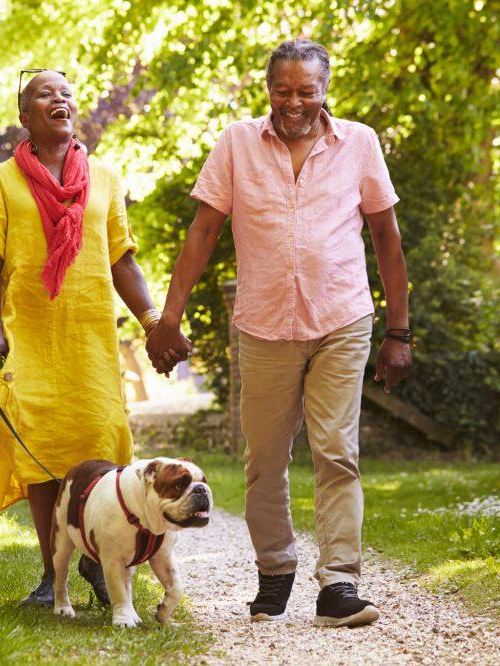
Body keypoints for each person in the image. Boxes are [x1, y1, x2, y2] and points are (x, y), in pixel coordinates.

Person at [147, 39, 412, 627]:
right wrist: (170, 316)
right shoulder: (237, 143)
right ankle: (275, 571)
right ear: (268, 89)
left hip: (342, 318)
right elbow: (204, 230)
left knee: (337, 454)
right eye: (282, 90)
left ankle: (339, 584)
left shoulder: (359, 143)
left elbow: (387, 239)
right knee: (264, 461)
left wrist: (400, 331)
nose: (293, 102)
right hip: (265, 325)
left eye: (306, 91)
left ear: (325, 91)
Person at [0, 69, 183, 607]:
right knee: (42, 453)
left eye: (66, 92)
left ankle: (102, 564)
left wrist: (152, 321)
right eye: (43, 93)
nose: (60, 98)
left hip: (91, 336)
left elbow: (121, 257)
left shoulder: (105, 177)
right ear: (24, 116)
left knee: (100, 445)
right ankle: (52, 576)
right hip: (28, 333)